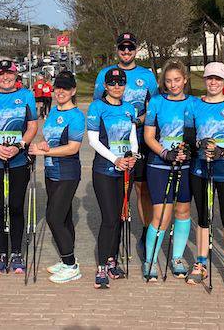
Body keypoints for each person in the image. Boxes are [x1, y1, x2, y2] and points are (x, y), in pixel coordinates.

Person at [93, 32, 159, 260]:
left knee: (142, 190)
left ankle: (145, 235)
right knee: (118, 196)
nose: (126, 51)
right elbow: (98, 108)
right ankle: (112, 242)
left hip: (141, 140)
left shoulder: (147, 76)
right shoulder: (105, 74)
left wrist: (138, 121)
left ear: (136, 49)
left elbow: (155, 106)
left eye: (130, 48)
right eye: (123, 48)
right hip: (112, 146)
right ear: (117, 49)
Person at [185, 61, 224, 288]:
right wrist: (199, 144)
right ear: (205, 79)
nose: (213, 83)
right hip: (200, 167)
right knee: (203, 217)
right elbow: (189, 137)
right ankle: (200, 264)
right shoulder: (194, 105)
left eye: (218, 79)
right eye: (210, 78)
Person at [0, 57, 38, 275]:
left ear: (15, 74)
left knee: (16, 206)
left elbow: (32, 126)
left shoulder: (26, 96)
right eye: (1, 75)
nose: (5, 78)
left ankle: (17, 252)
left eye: (9, 73)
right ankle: (1, 252)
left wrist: (21, 145)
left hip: (18, 159)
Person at [142, 60, 196, 281]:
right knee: (161, 215)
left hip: (185, 165)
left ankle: (176, 258)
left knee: (183, 212)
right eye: (168, 80)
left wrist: (190, 149)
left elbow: (196, 134)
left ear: (185, 79)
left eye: (177, 80)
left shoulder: (193, 103)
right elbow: (149, 136)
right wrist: (165, 153)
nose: (173, 85)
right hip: (159, 165)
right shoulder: (156, 102)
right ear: (163, 82)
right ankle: (151, 260)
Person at [29, 71, 85, 284]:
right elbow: (49, 138)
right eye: (57, 87)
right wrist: (43, 145)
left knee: (53, 217)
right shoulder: (52, 112)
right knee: (64, 217)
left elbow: (72, 148)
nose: (60, 91)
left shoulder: (77, 116)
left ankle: (71, 266)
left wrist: (45, 152)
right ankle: (68, 260)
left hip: (68, 173)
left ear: (73, 91)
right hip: (51, 172)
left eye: (65, 87)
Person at [87, 67, 139, 288]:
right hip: (105, 170)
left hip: (126, 168)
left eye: (121, 83)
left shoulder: (129, 109)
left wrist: (133, 156)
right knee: (108, 218)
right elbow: (93, 140)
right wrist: (115, 160)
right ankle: (101, 268)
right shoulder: (97, 106)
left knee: (120, 216)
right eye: (112, 83)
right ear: (106, 86)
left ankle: (111, 260)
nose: (117, 87)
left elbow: (133, 138)